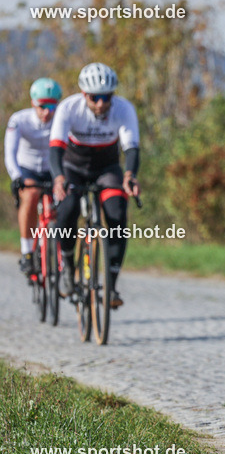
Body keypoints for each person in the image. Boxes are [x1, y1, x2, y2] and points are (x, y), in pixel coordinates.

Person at [51, 62, 141, 308]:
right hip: (73, 167)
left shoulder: (124, 109)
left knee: (117, 214)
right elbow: (56, 147)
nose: (101, 103)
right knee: (67, 208)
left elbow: (131, 147)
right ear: (84, 94)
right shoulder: (68, 108)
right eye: (94, 98)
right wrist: (58, 178)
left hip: (106, 168)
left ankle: (111, 285)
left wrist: (130, 175)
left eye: (106, 97)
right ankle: (68, 265)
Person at [5, 78, 62, 275]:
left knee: (64, 203)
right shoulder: (19, 120)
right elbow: (10, 152)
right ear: (33, 103)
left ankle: (61, 251)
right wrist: (16, 176)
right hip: (27, 169)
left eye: (52, 107)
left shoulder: (61, 120)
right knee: (30, 196)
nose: (47, 112)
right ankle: (27, 251)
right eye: (42, 106)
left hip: (52, 169)